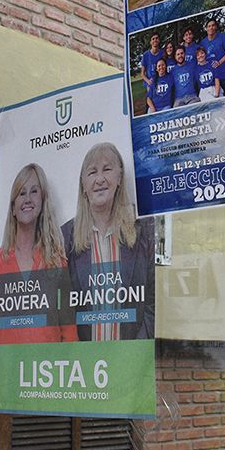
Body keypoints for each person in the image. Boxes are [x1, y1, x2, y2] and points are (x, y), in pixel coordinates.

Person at [63, 143, 155, 341]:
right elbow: (60, 307)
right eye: (92, 172)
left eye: (107, 169)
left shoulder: (145, 230)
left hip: (132, 355)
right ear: (83, 185)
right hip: (83, 356)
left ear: (119, 178)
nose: (100, 179)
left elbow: (153, 302)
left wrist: (135, 351)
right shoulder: (65, 236)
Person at [0, 164, 76, 343]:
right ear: (13, 208)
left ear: (43, 202)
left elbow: (69, 330)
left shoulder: (56, 261)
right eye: (21, 193)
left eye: (34, 191)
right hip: (8, 360)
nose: (28, 199)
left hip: (49, 360)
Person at [200, 16, 225, 95]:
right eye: (209, 26)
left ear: (215, 27)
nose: (211, 28)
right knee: (216, 95)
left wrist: (219, 62)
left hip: (223, 71)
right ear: (206, 28)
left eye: (213, 25)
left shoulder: (222, 37)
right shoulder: (203, 43)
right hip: (211, 75)